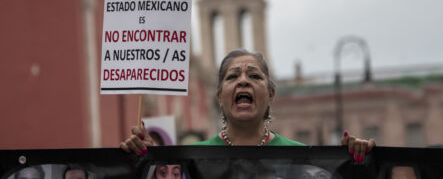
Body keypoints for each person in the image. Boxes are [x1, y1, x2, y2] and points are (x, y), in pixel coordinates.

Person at [120, 49, 376, 163]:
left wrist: (360, 163)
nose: (243, 81)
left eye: (254, 76)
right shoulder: (189, 161)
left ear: (271, 93)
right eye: (232, 77)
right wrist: (148, 163)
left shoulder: (303, 159)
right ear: (220, 97)